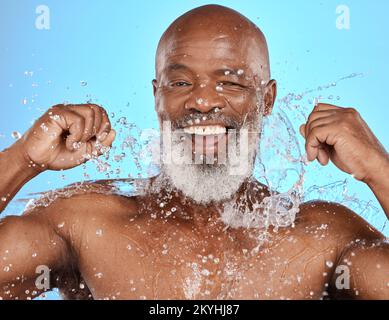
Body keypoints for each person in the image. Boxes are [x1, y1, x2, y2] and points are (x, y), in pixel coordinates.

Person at [0, 4, 388, 300]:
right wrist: (22, 160)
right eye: (181, 82)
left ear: (266, 100)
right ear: (158, 97)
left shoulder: (323, 238)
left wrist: (378, 168)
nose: (202, 101)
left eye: (231, 83)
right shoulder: (86, 224)